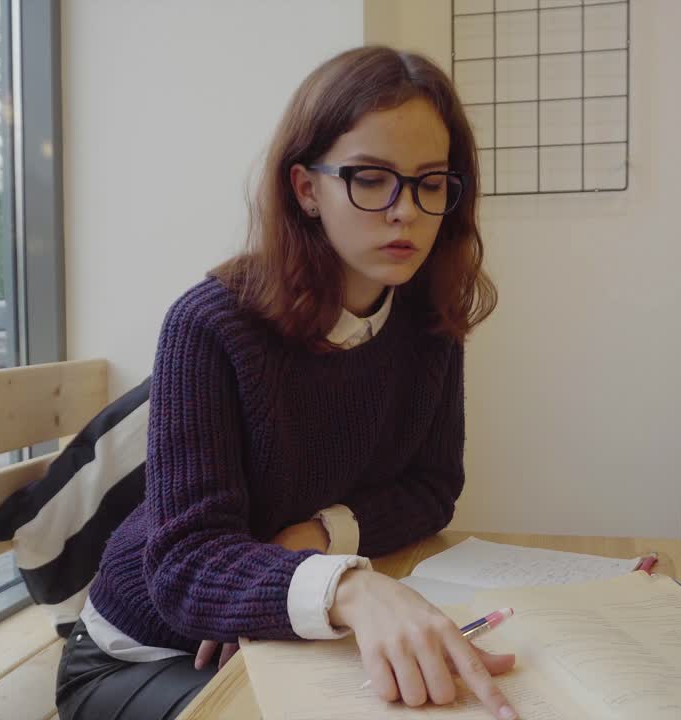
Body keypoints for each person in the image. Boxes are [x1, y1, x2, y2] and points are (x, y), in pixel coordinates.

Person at [55, 45, 513, 720]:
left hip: (278, 631)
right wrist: (349, 589)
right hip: (141, 653)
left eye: (431, 182)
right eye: (370, 178)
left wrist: (313, 541)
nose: (404, 211)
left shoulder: (426, 321)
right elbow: (185, 566)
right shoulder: (211, 325)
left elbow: (432, 489)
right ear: (305, 188)